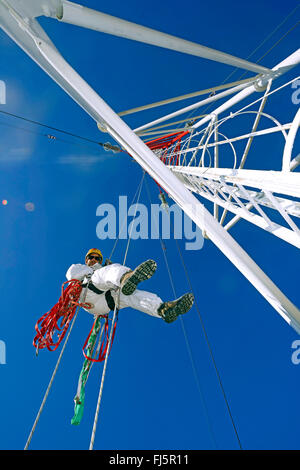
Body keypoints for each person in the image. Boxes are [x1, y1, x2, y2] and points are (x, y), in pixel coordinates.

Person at [66, 248, 194, 323]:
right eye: (91, 257)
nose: (94, 260)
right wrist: (96, 269)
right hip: (87, 295)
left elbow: (107, 275)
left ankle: (162, 309)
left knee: (130, 295)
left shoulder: (105, 269)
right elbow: (72, 275)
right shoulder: (80, 268)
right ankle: (124, 278)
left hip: (106, 303)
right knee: (103, 273)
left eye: (97, 258)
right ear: (86, 259)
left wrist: (105, 269)